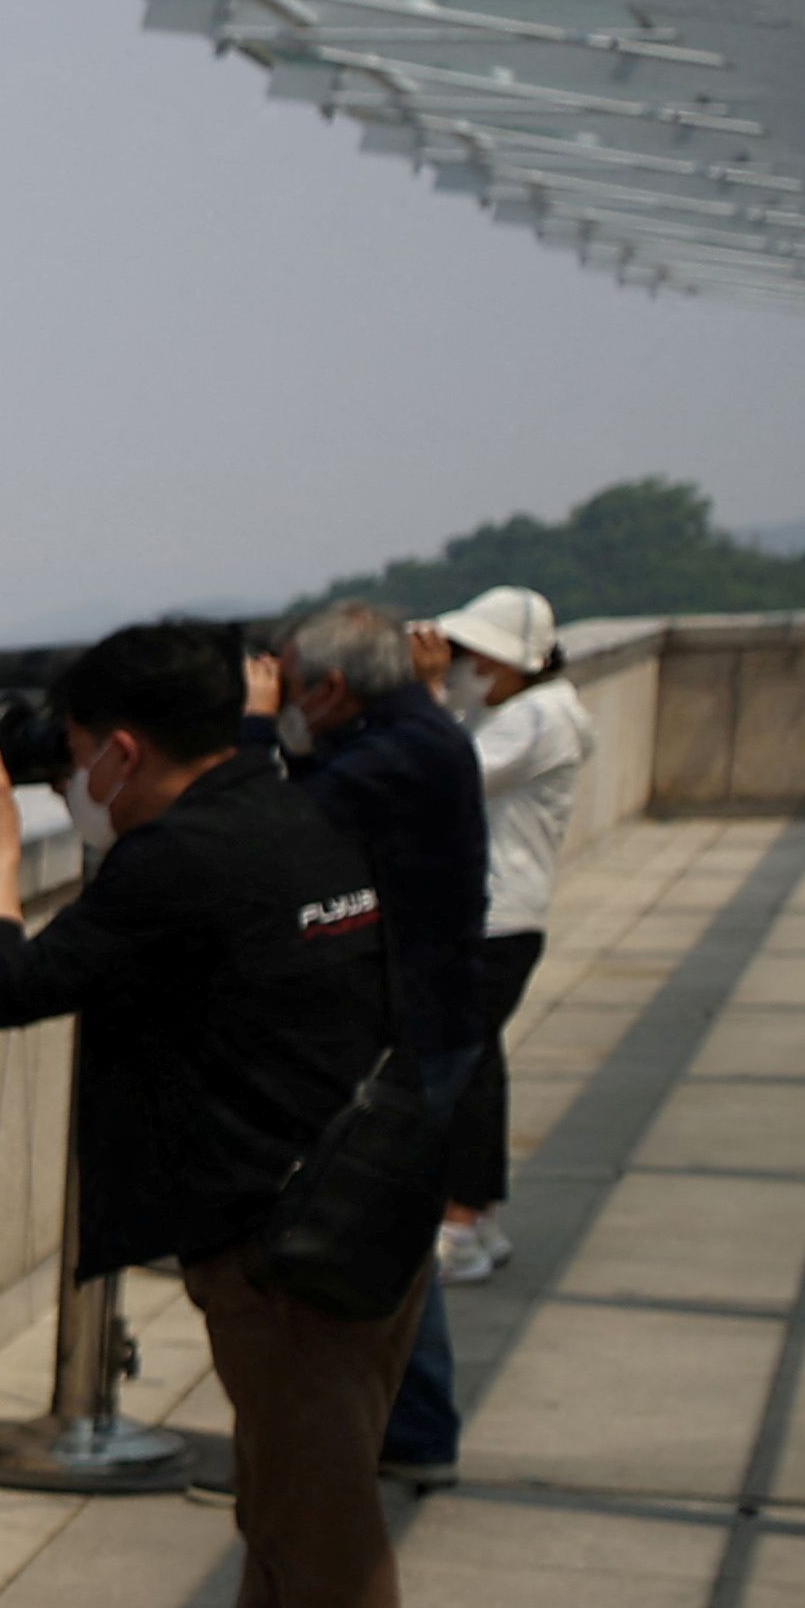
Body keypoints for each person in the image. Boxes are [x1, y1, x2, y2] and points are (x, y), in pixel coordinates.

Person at [0, 621, 416, 1608]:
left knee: (318, 1512)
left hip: (286, 1236)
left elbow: (10, 986)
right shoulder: (302, 809)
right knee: (282, 1487)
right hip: (360, 1201)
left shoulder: (182, 860)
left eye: (79, 753)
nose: (70, 775)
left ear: (125, 749)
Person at [284, 598, 494, 1488]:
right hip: (429, 1018)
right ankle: (411, 1426)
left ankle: (409, 1428)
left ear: (332, 689)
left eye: (292, 687)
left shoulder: (395, 755)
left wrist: (261, 737)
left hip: (414, 1027)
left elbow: (289, 830)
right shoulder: (416, 732)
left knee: (384, 1234)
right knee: (395, 1231)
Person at [415, 584, 591, 1280]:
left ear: (519, 663)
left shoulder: (537, 719)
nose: (464, 669)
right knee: (478, 1070)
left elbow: (438, 777)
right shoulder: (528, 713)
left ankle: (460, 1225)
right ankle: (477, 1219)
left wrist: (424, 695)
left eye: (474, 656)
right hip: (502, 920)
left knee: (457, 1075)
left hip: (495, 922)